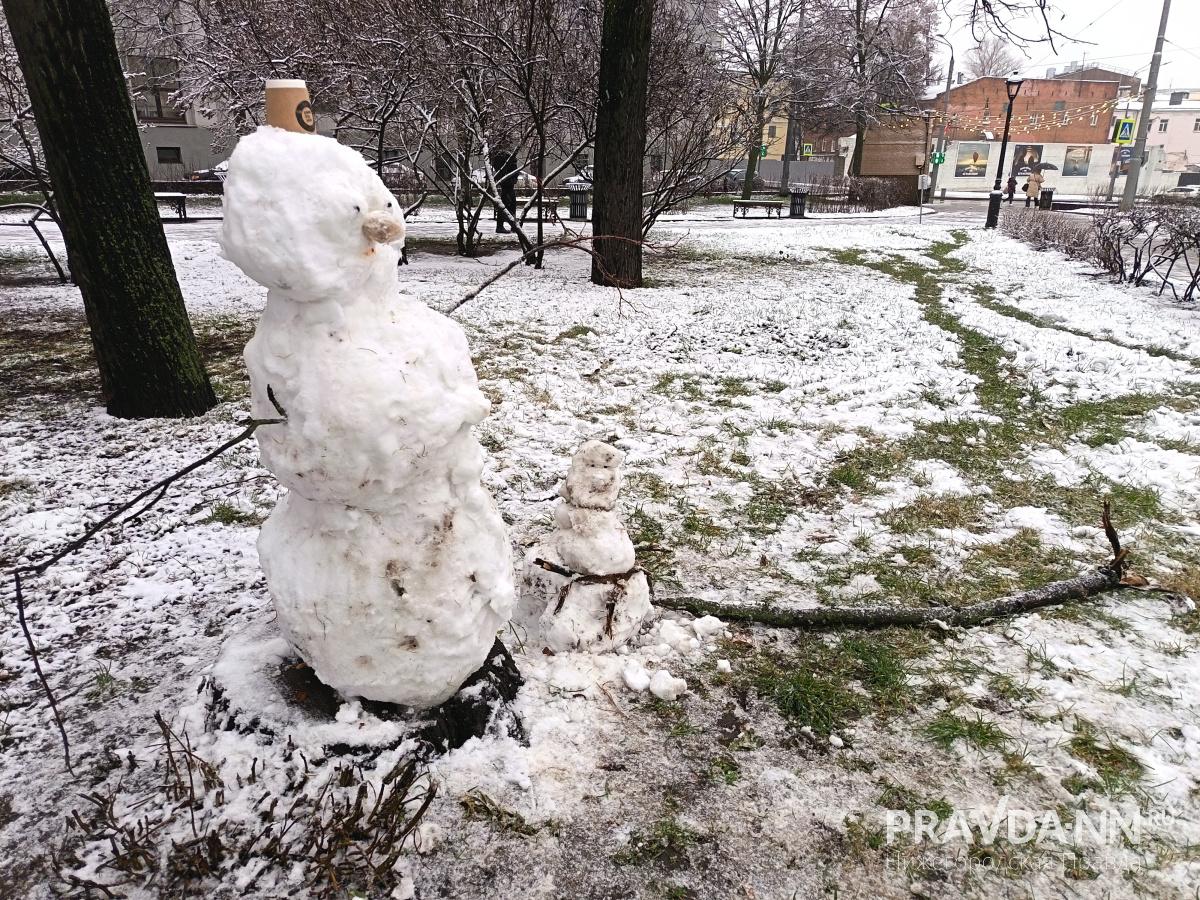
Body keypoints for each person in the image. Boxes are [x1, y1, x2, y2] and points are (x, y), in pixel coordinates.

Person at [490, 147, 520, 233]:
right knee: (507, 205)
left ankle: (510, 225)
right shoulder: (504, 156)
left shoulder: (502, 156)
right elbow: (508, 170)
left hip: (507, 183)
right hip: (507, 184)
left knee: (508, 205)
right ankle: (507, 226)